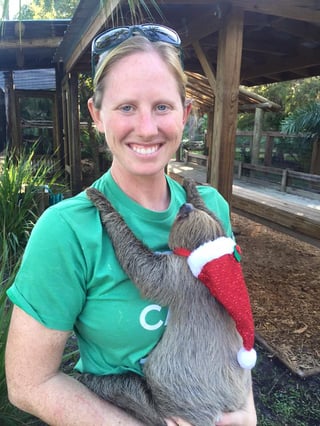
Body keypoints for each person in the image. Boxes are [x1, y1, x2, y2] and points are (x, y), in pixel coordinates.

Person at [5, 24, 257, 426]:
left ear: (186, 114)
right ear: (96, 115)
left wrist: (246, 412)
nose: (146, 127)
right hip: (139, 410)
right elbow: (28, 383)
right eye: (126, 107)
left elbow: (232, 313)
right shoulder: (66, 229)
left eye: (162, 106)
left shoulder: (211, 207)